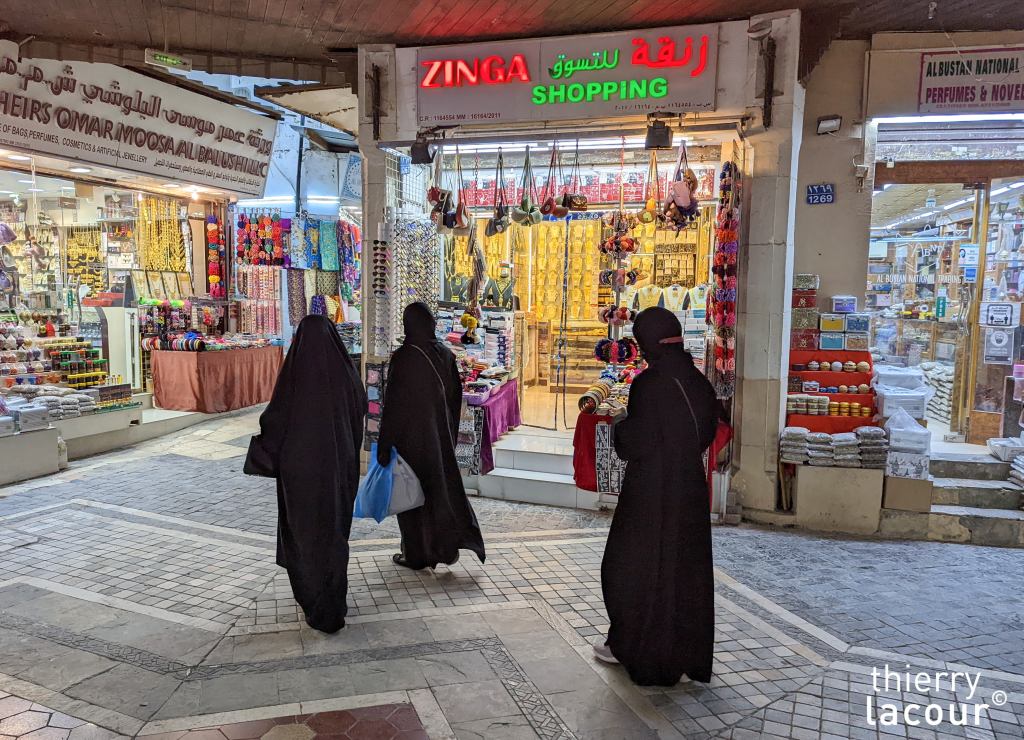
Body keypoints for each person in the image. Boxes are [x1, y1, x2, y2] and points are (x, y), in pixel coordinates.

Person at [597, 306, 720, 686]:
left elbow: (636, 442)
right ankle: (683, 653)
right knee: (683, 571)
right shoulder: (698, 381)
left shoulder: (650, 384)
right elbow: (705, 434)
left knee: (632, 566)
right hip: (688, 490)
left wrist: (620, 425)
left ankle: (633, 645)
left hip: (650, 493)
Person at [243, 315, 366, 634]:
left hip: (301, 476)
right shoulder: (346, 374)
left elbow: (274, 420)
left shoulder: (295, 376)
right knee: (333, 533)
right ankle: (333, 603)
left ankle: (314, 601)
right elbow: (360, 412)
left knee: (306, 535)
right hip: (338, 471)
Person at [377, 302, 486, 570]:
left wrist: (385, 444)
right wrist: (448, 431)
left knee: (411, 498)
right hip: (439, 438)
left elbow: (394, 406)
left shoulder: (404, 357)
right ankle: (445, 548)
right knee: (439, 494)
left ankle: (415, 554)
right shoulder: (445, 354)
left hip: (410, 442)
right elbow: (454, 399)